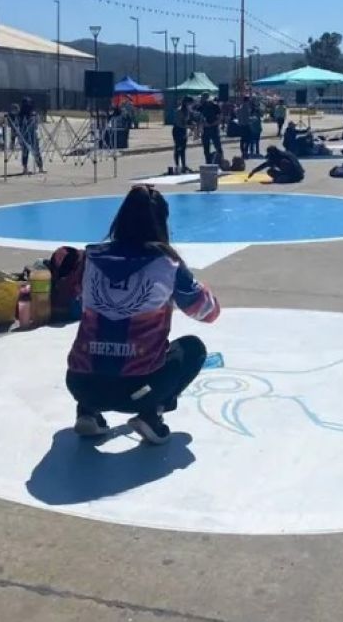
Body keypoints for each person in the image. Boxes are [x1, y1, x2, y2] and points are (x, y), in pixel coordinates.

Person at [65, 186, 220, 445]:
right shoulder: (167, 265)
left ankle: (87, 411)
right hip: (137, 391)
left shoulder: (90, 257)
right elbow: (208, 312)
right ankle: (151, 414)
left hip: (80, 383)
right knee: (193, 348)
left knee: (94, 349)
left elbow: (74, 301)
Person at [17, 96, 43, 174]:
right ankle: (25, 168)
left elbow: (36, 125)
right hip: (24, 135)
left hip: (33, 135)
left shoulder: (33, 115)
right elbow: (18, 125)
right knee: (25, 151)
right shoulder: (20, 115)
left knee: (36, 151)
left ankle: (40, 167)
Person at [198, 92, 223, 165]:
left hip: (213, 128)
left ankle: (220, 161)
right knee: (206, 148)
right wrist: (203, 124)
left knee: (217, 146)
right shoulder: (201, 107)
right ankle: (208, 162)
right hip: (206, 129)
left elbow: (220, 117)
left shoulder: (215, 106)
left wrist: (213, 123)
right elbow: (199, 118)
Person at [172, 96, 195, 173]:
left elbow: (188, 121)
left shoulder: (188, 111)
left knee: (183, 149)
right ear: (186, 103)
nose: (191, 105)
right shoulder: (179, 111)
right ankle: (177, 165)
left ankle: (184, 166)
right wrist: (189, 126)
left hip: (183, 130)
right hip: (177, 130)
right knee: (178, 148)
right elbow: (179, 124)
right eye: (190, 103)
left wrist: (192, 124)